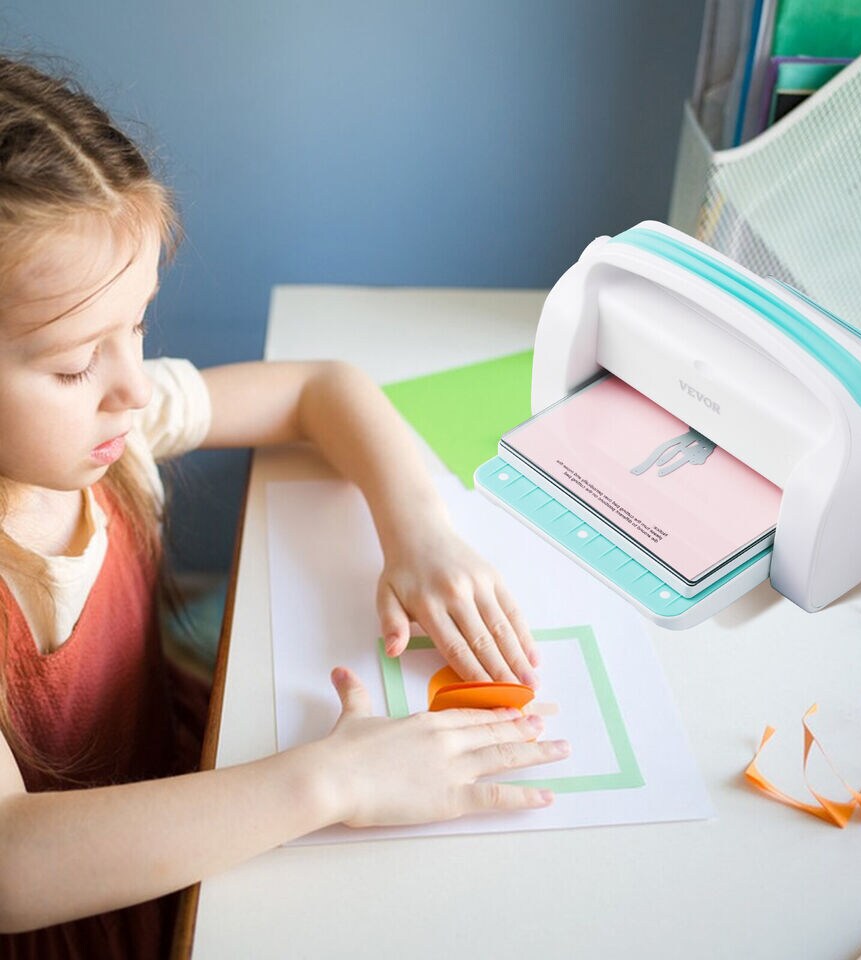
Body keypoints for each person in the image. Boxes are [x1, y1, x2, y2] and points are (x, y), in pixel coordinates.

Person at [0, 55, 569, 958]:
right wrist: (334, 783)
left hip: (185, 788)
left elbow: (321, 389)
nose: (133, 389)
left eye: (138, 324)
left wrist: (417, 529)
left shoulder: (109, 425)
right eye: (74, 364)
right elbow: (14, 865)